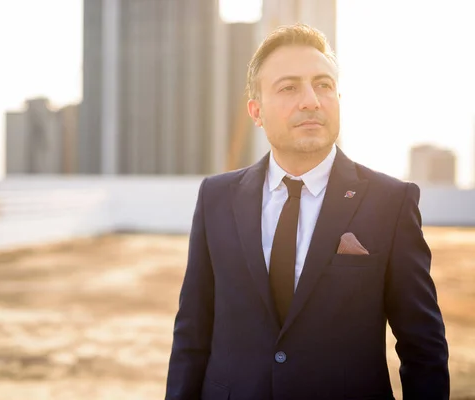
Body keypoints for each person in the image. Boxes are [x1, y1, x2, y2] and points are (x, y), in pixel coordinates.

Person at [165, 23, 449, 400]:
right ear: (256, 110)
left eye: (324, 85)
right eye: (288, 87)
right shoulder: (216, 197)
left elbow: (423, 347)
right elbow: (192, 335)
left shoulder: (390, 203)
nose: (311, 100)